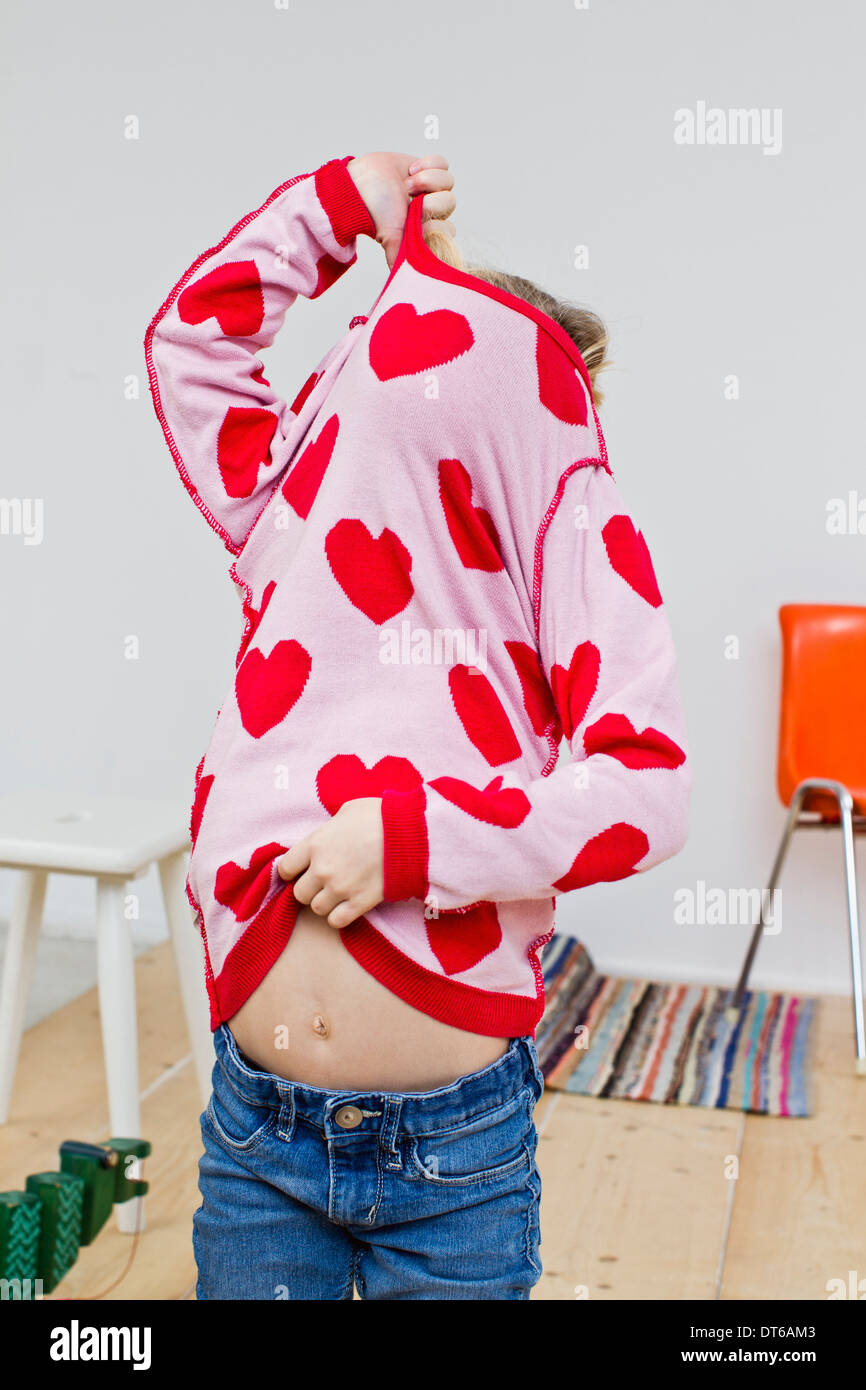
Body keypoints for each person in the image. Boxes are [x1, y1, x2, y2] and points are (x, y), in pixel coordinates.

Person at [144, 150, 691, 1299]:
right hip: (256, 1130)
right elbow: (193, 343)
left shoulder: (557, 541)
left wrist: (412, 842)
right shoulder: (286, 499)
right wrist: (338, 207)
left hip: (454, 1160)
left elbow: (644, 791)